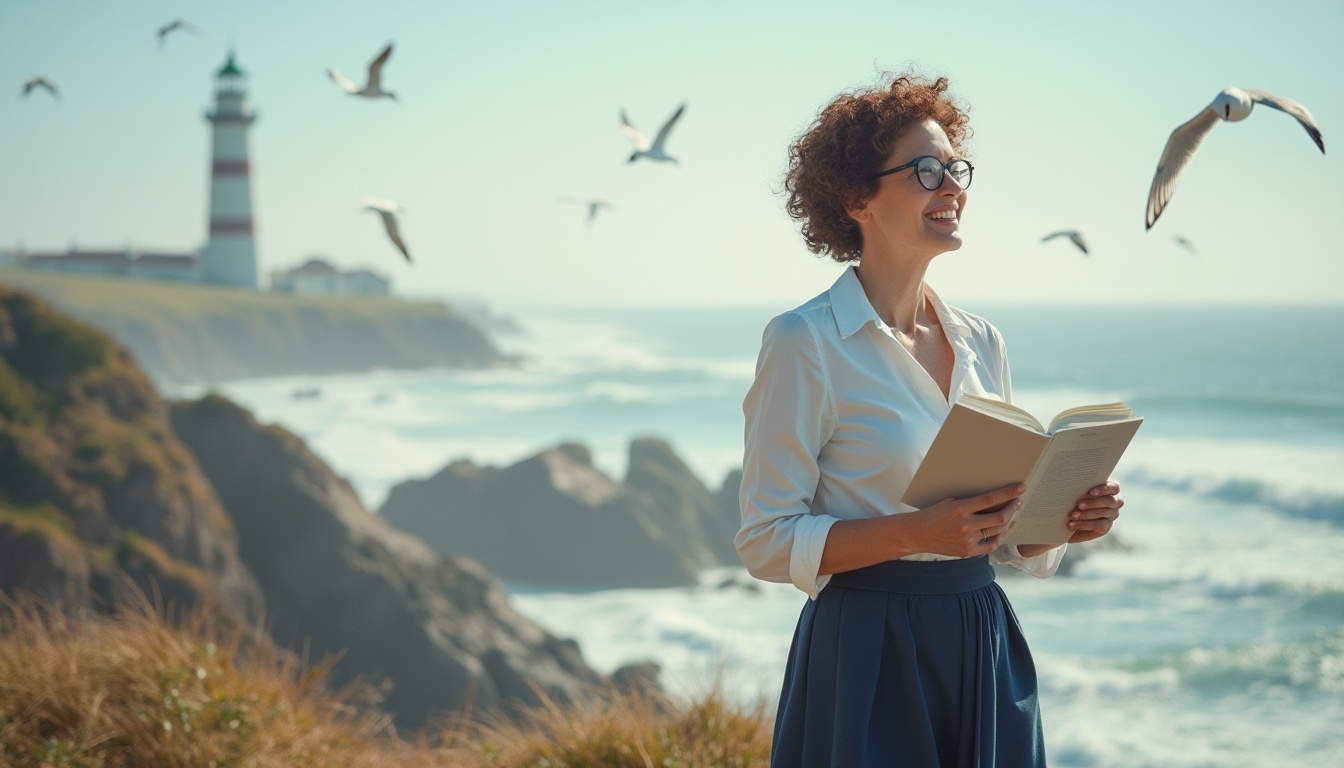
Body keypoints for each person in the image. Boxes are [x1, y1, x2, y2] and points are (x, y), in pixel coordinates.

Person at [735, 72, 1125, 767]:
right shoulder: (806, 341)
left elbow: (1004, 544)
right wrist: (917, 532)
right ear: (856, 197)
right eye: (925, 171)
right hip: (866, 651)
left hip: (981, 636)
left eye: (955, 168)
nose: (952, 188)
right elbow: (766, 540)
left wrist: (1062, 522)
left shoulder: (982, 340)